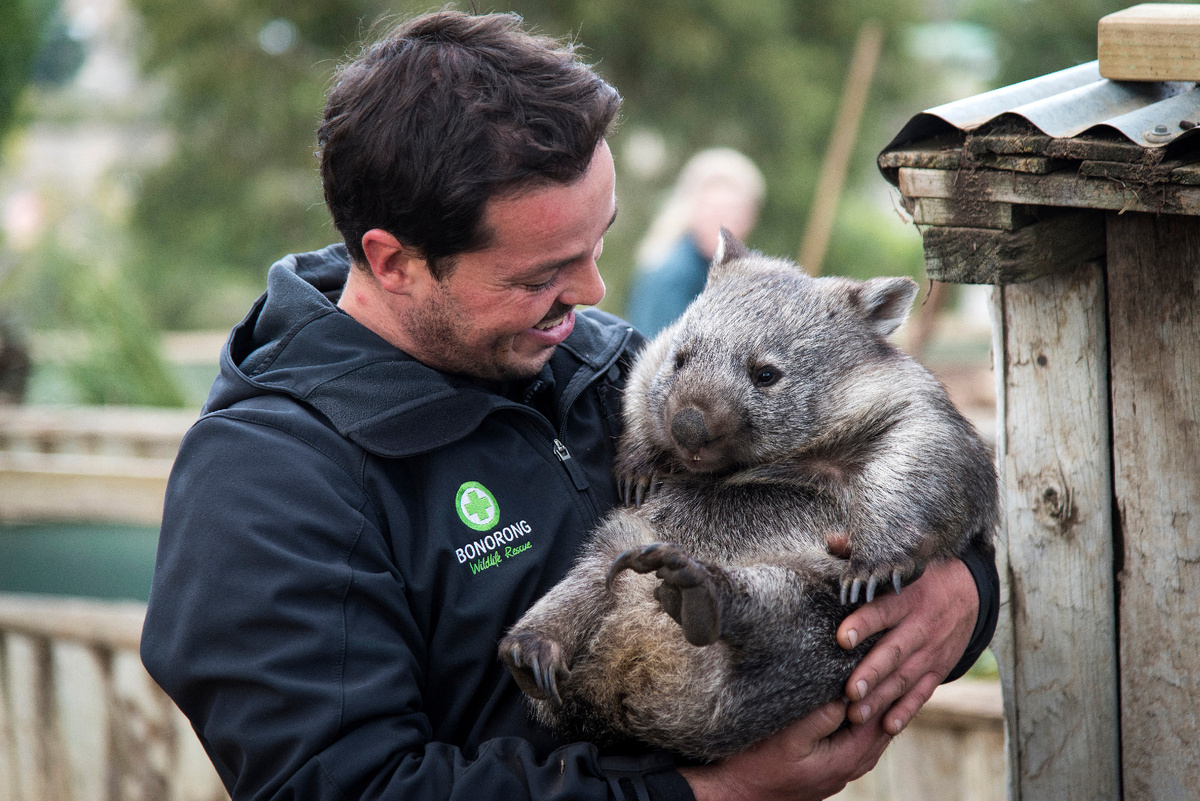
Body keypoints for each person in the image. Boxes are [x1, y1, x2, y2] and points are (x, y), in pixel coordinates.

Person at [140, 11, 999, 801]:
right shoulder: (266, 482)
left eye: (598, 243)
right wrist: (700, 795)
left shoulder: (600, 366)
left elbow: (902, 492)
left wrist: (961, 595)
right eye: (540, 275)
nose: (589, 294)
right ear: (394, 260)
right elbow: (349, 786)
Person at [624, 148, 764, 337]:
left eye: (736, 214)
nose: (724, 225)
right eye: (715, 212)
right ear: (693, 210)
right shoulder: (672, 276)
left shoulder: (732, 271)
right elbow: (659, 352)